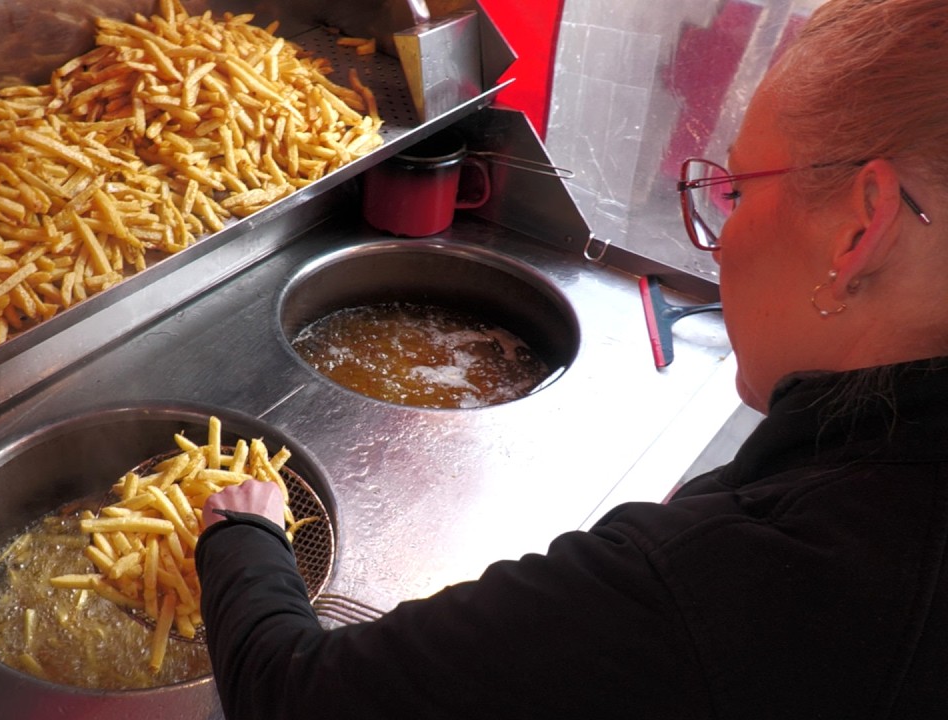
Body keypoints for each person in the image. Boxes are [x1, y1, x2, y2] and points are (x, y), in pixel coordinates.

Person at [195, 0, 948, 717]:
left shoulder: (730, 584)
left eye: (737, 194)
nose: (718, 243)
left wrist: (244, 535)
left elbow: (295, 693)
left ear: (859, 232)